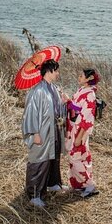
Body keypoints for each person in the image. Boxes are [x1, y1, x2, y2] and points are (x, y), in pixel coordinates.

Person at [22, 59, 68, 207]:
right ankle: (34, 194)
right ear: (49, 71)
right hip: (42, 130)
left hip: (54, 129)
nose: (58, 74)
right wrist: (34, 132)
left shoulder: (53, 88)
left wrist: (64, 102)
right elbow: (30, 113)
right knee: (39, 160)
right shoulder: (37, 91)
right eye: (56, 71)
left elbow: (57, 108)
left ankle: (53, 183)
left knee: (53, 157)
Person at [65, 68, 99, 198]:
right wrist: (68, 101)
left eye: (81, 76)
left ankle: (89, 185)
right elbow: (77, 108)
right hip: (75, 127)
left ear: (89, 79)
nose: (78, 77)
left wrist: (80, 136)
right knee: (80, 156)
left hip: (81, 130)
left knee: (75, 157)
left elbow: (88, 117)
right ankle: (80, 184)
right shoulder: (82, 90)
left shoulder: (90, 94)